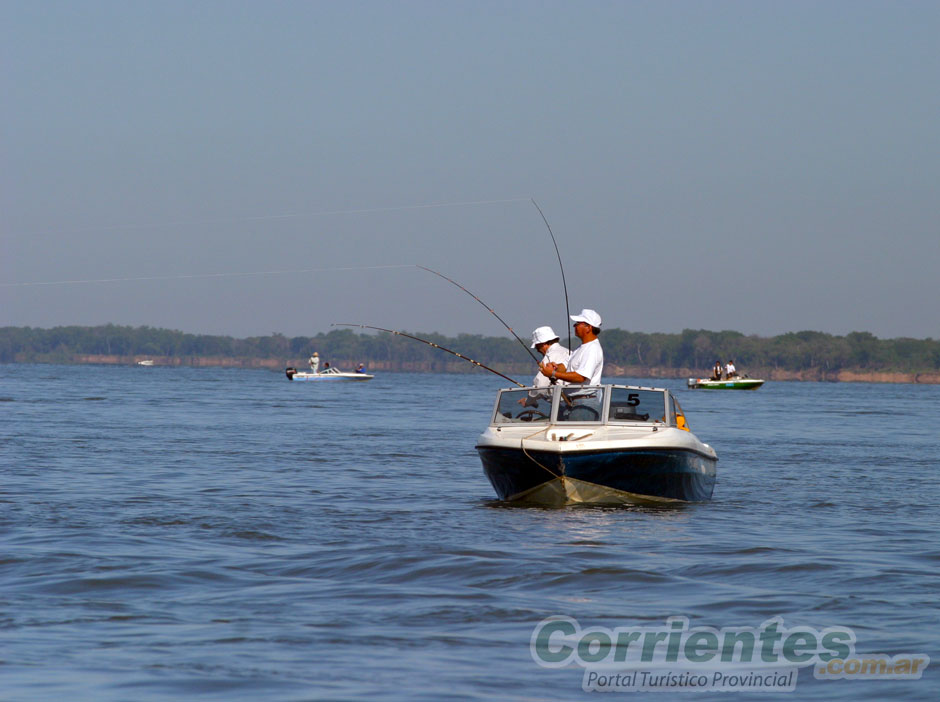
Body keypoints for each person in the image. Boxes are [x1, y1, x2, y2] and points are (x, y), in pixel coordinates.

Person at [540, 309, 603, 386]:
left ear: (588, 327)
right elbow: (565, 366)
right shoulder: (580, 348)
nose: (574, 326)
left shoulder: (592, 349)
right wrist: (554, 368)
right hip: (575, 397)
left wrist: (553, 374)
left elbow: (580, 377)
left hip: (584, 398)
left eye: (578, 323)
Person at [519, 326, 570, 406]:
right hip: (572, 400)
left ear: (543, 344)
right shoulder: (569, 352)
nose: (537, 350)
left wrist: (528, 401)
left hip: (562, 404)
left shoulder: (550, 356)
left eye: (537, 346)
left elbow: (540, 386)